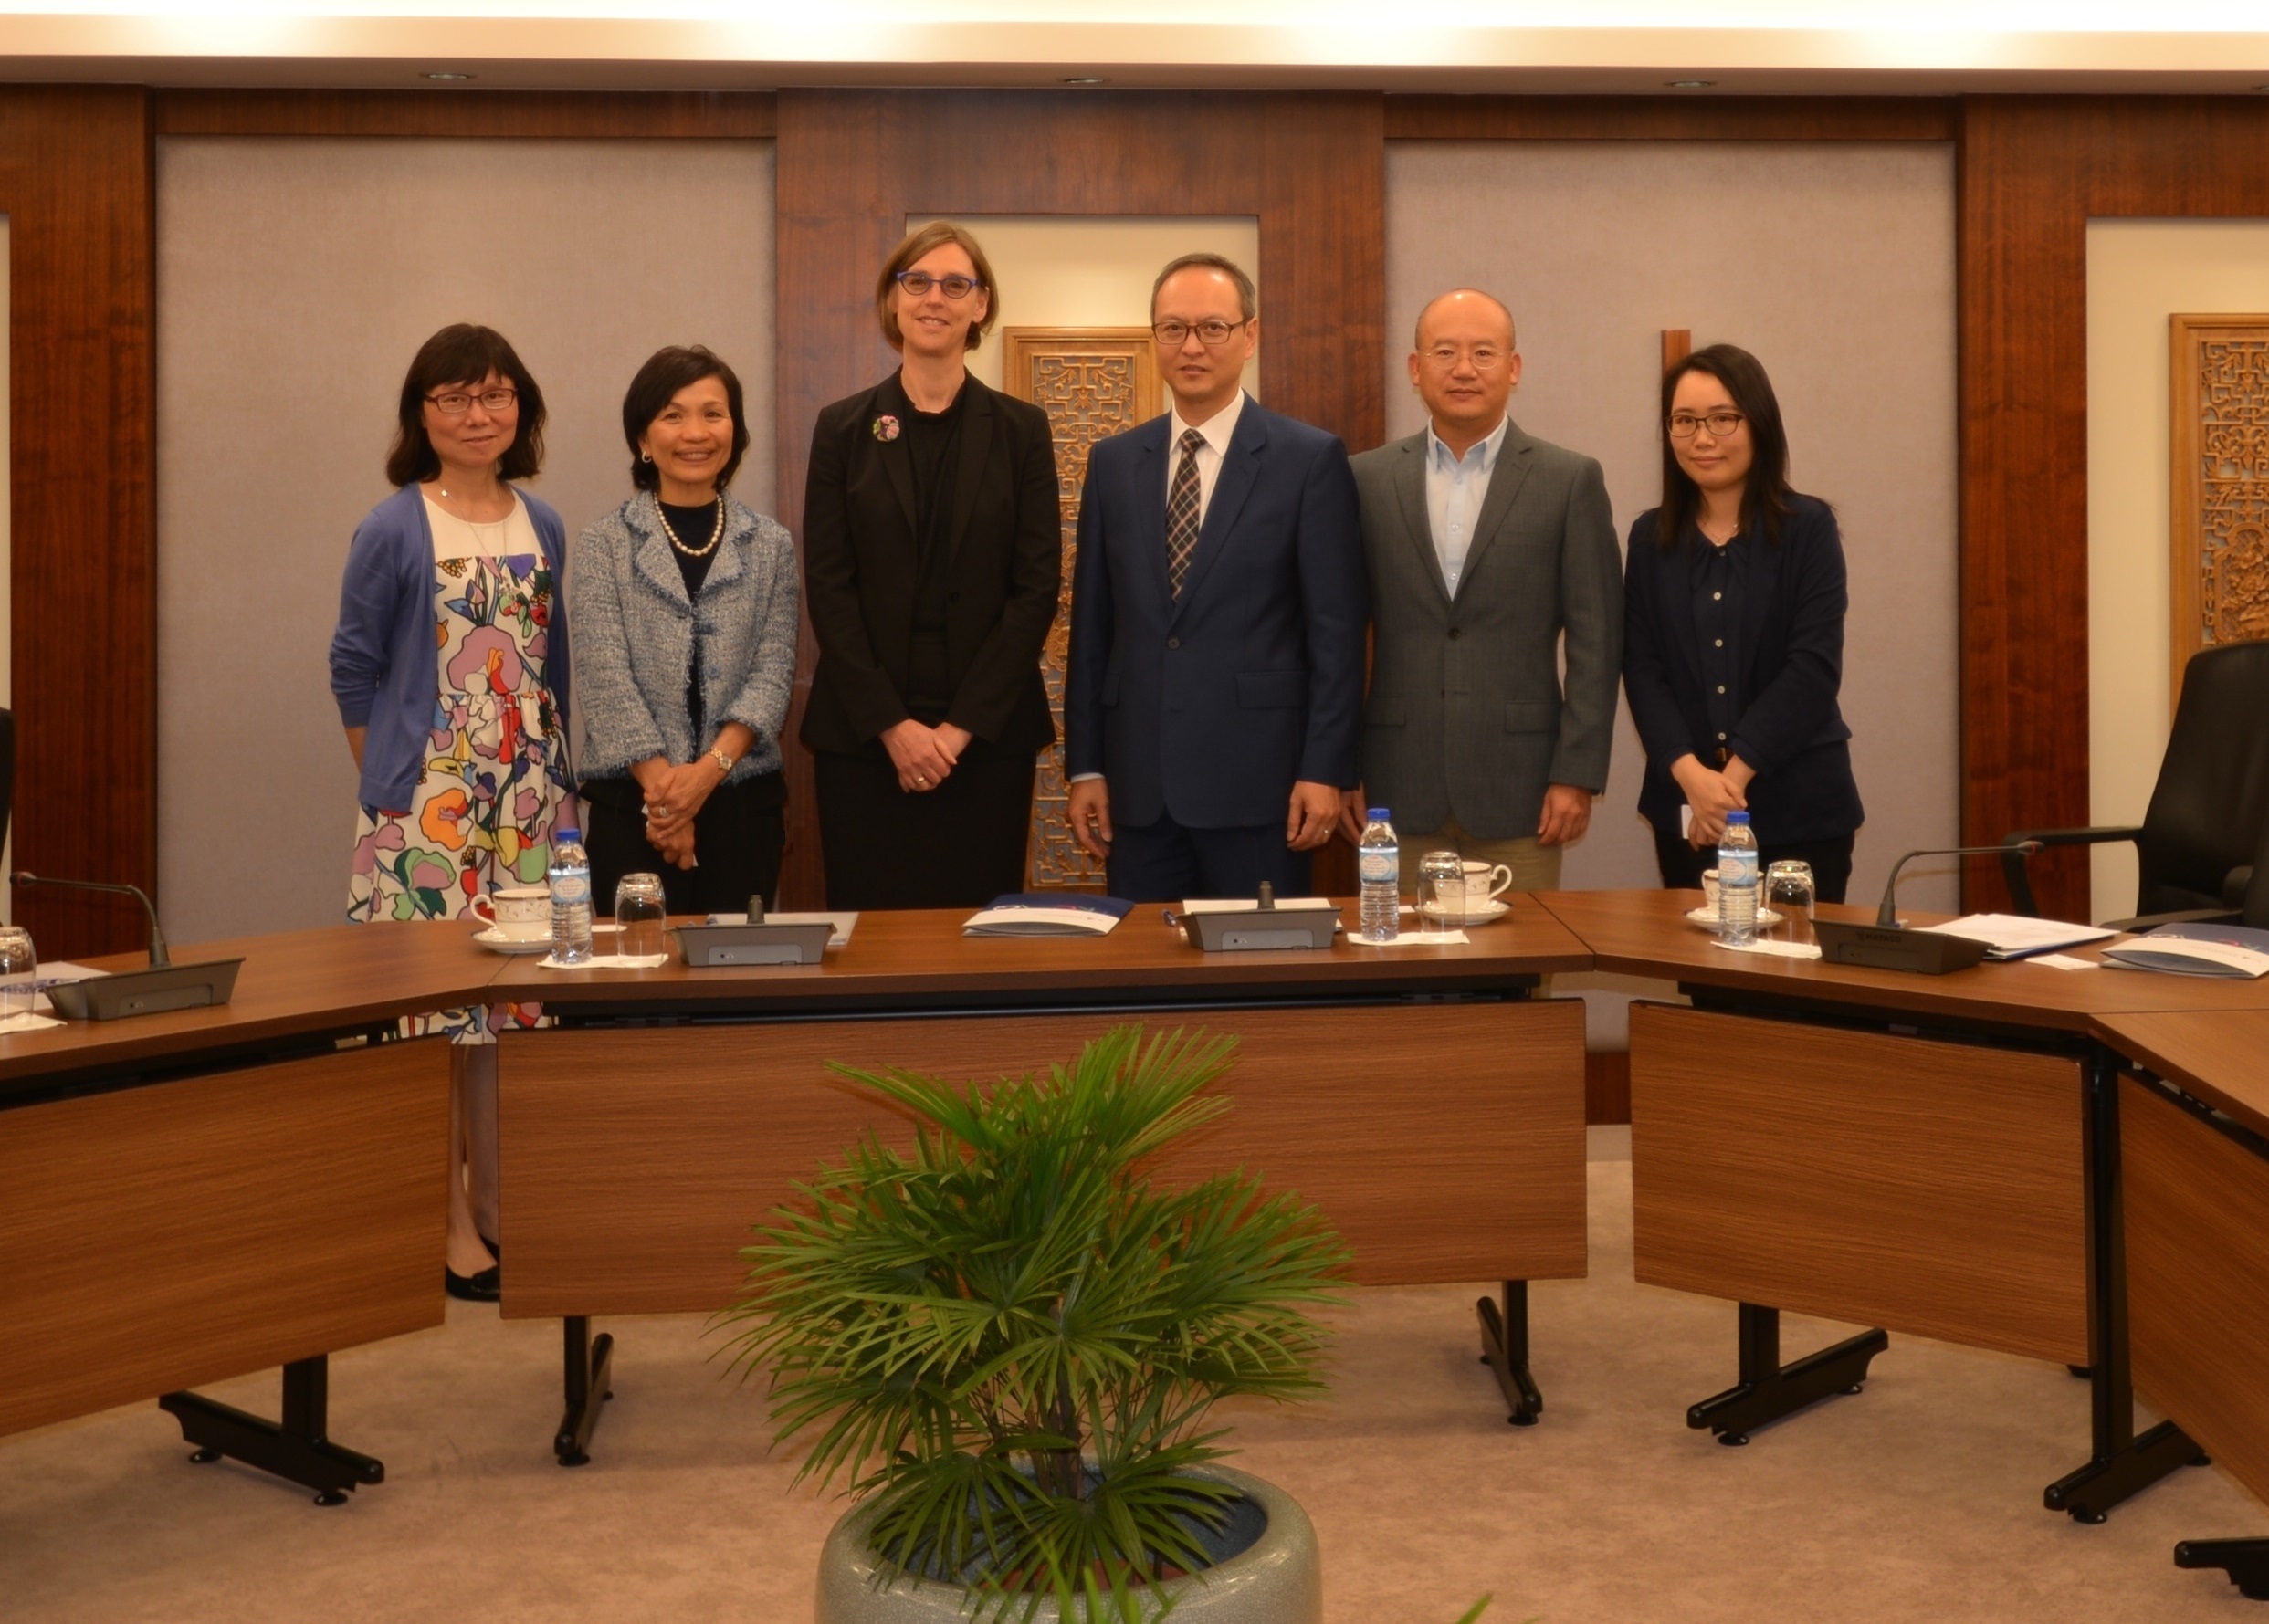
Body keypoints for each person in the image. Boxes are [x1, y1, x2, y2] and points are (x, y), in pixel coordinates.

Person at [330, 322, 570, 1302]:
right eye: (455, 397)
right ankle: (445, 1223)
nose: (478, 415)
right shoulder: (392, 526)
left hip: (527, 801)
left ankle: (500, 1202)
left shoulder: (542, 522)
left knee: (506, 1013)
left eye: (496, 394)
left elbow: (552, 671)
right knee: (431, 1016)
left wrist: (553, 794)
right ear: (421, 415)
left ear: (522, 408)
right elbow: (352, 666)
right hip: (424, 810)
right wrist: (398, 786)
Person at [1064, 252, 1368, 902]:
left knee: (1260, 961)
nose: (1191, 346)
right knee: (1141, 962)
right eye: (1173, 328)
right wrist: (1085, 766)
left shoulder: (1308, 459)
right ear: (1154, 338)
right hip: (1137, 791)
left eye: (1212, 327)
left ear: (1250, 335)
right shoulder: (1113, 462)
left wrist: (1325, 768)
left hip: (1262, 788)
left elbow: (1336, 634)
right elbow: (1091, 629)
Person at [800, 222, 1062, 909]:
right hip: (865, 735)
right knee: (869, 931)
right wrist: (893, 725)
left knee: (979, 932)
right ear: (894, 300)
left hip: (986, 735)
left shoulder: (1021, 430)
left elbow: (1035, 588)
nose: (933, 298)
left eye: (954, 284)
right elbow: (829, 586)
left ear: (981, 304)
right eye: (916, 281)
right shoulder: (843, 428)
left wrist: (957, 730)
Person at [1343, 288, 1622, 899]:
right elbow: (1337, 635)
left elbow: (1596, 641)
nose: (1463, 369)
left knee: (1523, 956)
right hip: (1394, 785)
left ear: (1513, 368)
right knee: (1405, 951)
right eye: (1444, 352)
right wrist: (1342, 766)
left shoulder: (1569, 480)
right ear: (1415, 368)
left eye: (1483, 353)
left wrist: (1576, 774)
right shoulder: (1365, 478)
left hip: (1523, 788)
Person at [1622, 342, 1865, 901]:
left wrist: (1727, 788)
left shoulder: (1808, 528)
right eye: (1685, 421)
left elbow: (1812, 670)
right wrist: (1691, 777)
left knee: (1795, 958)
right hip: (1687, 811)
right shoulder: (1649, 539)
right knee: (1695, 960)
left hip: (1801, 809)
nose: (1702, 438)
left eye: (1722, 418)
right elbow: (1642, 669)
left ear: (1759, 424)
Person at [573, 346, 799, 916]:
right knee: (634, 968)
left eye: (712, 413)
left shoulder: (770, 544)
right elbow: (604, 680)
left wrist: (703, 778)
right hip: (631, 806)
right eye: (672, 415)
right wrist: (668, 803)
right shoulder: (604, 544)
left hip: (743, 803)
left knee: (739, 967)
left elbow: (773, 674)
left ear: (734, 431)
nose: (695, 432)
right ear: (643, 440)